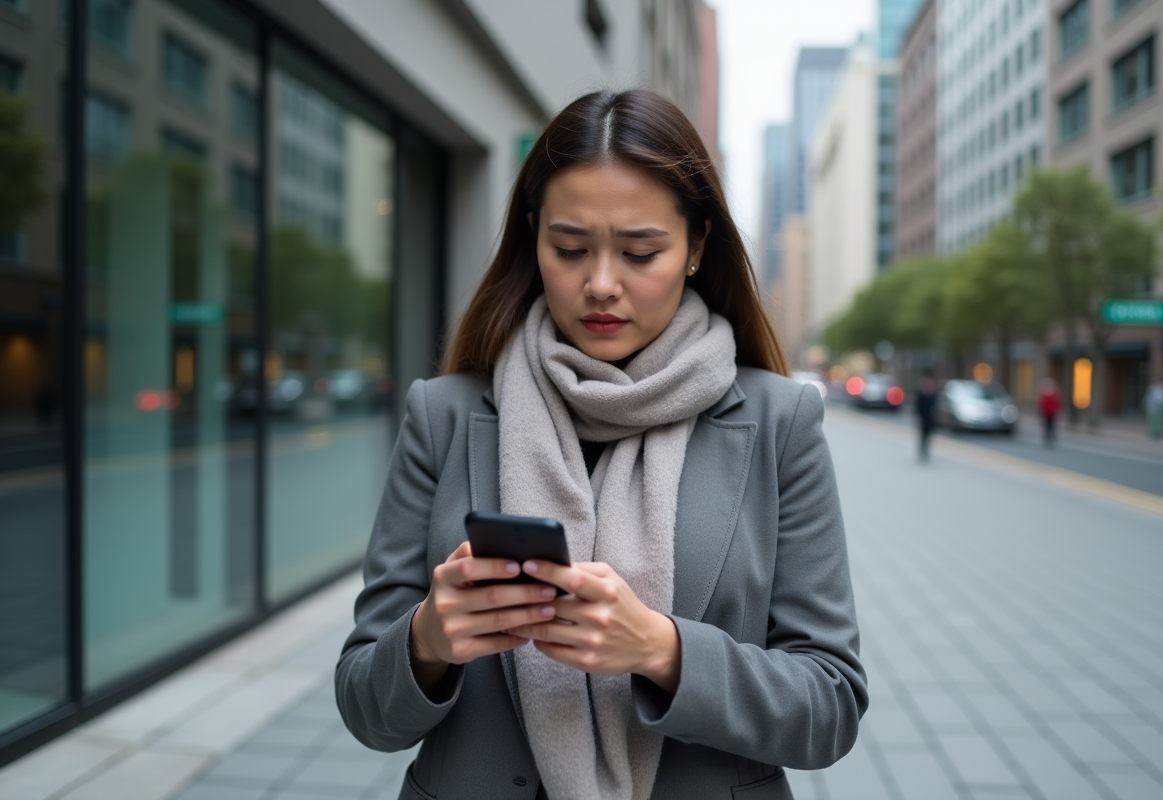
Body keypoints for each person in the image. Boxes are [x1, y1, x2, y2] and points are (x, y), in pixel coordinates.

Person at [334, 90, 866, 800]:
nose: (601, 285)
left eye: (641, 251)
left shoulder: (779, 422)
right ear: (533, 238)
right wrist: (427, 640)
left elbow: (829, 709)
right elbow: (365, 708)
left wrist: (661, 650)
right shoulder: (445, 415)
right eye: (570, 248)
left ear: (696, 248)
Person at [914, 373, 937, 461]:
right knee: (922, 435)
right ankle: (921, 449)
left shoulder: (933, 393)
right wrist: (918, 417)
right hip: (923, 417)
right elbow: (917, 406)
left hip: (930, 418)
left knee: (929, 435)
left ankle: (926, 450)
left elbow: (935, 405)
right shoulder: (921, 393)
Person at [1038, 378, 1062, 447]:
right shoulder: (1044, 393)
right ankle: (1047, 437)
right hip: (1046, 413)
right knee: (1047, 426)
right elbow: (1041, 403)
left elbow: (1058, 403)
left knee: (1051, 425)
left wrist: (1057, 410)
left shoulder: (1054, 393)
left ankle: (1051, 437)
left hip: (1052, 412)